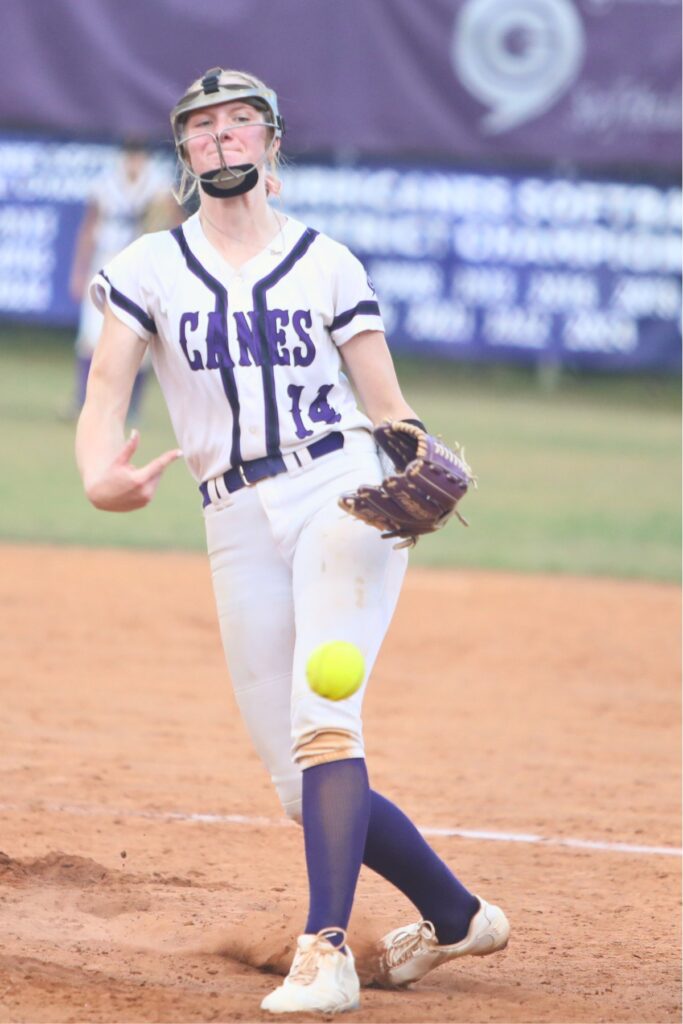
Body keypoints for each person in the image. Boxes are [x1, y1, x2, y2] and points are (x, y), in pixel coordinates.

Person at [75, 67, 509, 1015]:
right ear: (185, 152)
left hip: (337, 488)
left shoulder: (327, 262)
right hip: (230, 513)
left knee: (326, 720)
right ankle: (455, 914)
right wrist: (98, 469)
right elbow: (107, 395)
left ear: (271, 143)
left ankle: (327, 953)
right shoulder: (148, 266)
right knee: (294, 781)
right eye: (203, 127)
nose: (222, 136)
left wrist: (412, 457)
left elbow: (386, 405)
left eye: (242, 122)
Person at [65, 139, 180, 421]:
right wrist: (79, 272)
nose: (133, 161)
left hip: (141, 264)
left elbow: (175, 223)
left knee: (141, 340)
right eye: (129, 156)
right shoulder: (105, 184)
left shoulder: (158, 186)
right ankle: (83, 401)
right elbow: (89, 228)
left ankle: (132, 408)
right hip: (105, 259)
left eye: (138, 156)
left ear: (146, 159)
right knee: (91, 336)